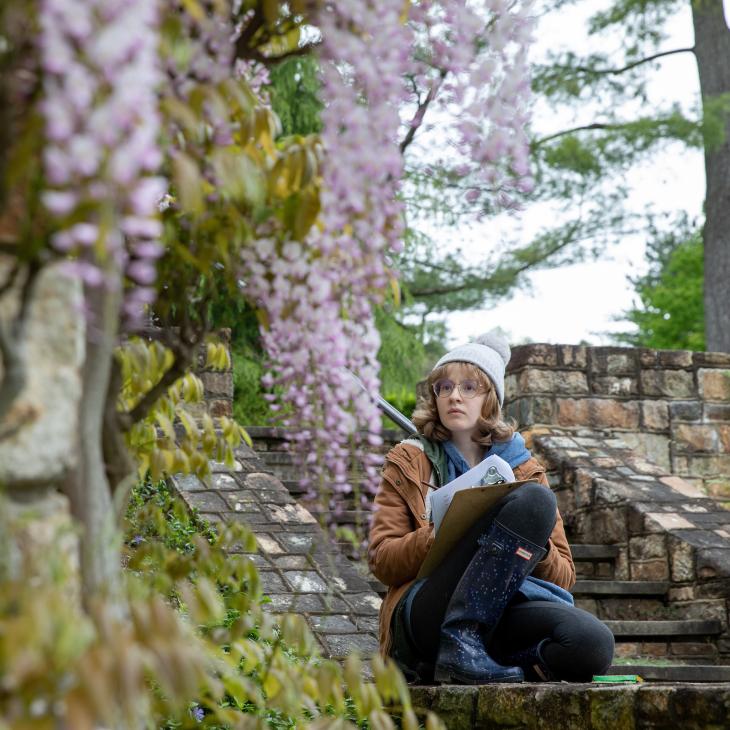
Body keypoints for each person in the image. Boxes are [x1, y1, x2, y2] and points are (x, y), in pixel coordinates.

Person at [368, 330, 614, 684]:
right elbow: (383, 560)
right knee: (531, 500)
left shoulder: (526, 470)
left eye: (469, 387)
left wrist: (524, 543)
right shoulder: (409, 460)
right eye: (445, 387)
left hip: (505, 606)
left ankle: (496, 665)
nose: (455, 396)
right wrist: (447, 532)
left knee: (592, 644)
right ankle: (457, 644)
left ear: (491, 399)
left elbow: (565, 577)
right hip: (429, 612)